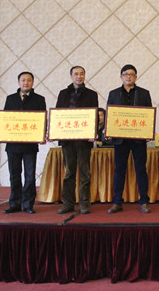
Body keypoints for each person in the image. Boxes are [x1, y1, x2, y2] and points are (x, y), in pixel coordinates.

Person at [106, 64, 152, 214]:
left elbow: (148, 116)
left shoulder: (144, 93)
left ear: (136, 77)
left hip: (138, 139)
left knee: (141, 170)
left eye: (131, 74)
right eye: (126, 74)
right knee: (119, 171)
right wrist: (109, 130)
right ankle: (117, 202)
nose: (128, 77)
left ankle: (144, 201)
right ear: (121, 77)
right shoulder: (113, 94)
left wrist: (148, 132)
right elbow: (109, 115)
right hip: (120, 139)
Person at [56, 66, 98, 215]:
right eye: (76, 74)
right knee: (69, 173)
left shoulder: (91, 94)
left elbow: (94, 116)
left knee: (85, 173)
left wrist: (93, 132)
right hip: (67, 140)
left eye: (81, 74)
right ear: (71, 76)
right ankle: (68, 203)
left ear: (84, 76)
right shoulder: (63, 93)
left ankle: (85, 204)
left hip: (84, 140)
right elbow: (58, 115)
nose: (79, 76)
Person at [2, 71, 46, 214]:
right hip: (13, 145)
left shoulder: (39, 99)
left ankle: (28, 204)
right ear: (18, 82)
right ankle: (14, 204)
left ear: (33, 82)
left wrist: (42, 134)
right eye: (23, 80)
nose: (26, 82)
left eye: (29, 80)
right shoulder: (10, 99)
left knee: (29, 176)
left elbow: (42, 120)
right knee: (14, 175)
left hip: (30, 145)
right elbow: (5, 120)